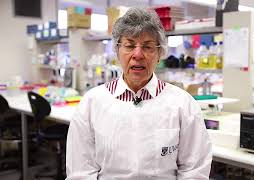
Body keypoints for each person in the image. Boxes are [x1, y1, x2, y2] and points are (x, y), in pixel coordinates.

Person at [66, 7, 212, 180]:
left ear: (160, 54)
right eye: (129, 45)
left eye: (148, 46)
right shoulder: (91, 103)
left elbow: (194, 171)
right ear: (117, 51)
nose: (138, 54)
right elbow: (80, 172)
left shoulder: (183, 104)